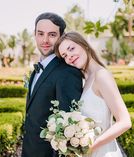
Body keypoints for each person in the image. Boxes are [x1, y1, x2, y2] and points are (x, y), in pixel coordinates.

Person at [54, 31, 132, 157]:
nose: (69, 56)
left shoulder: (101, 76)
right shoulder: (85, 80)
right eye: (65, 55)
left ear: (84, 45)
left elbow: (125, 122)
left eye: (71, 48)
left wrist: (90, 148)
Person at [21, 13, 83, 157]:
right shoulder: (36, 70)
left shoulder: (67, 73)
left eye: (52, 34)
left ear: (61, 37)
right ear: (34, 34)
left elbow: (69, 127)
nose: (45, 40)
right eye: (40, 34)